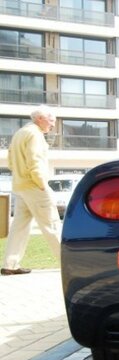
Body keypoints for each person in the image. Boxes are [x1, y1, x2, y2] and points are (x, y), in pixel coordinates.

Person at [1, 106, 61, 276]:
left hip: (21, 187)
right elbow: (34, 161)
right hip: (35, 187)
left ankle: (9, 265)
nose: (53, 125)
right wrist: (42, 184)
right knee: (52, 225)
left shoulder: (21, 133)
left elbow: (11, 161)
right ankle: (68, 263)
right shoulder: (35, 134)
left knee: (19, 228)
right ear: (40, 118)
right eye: (51, 120)